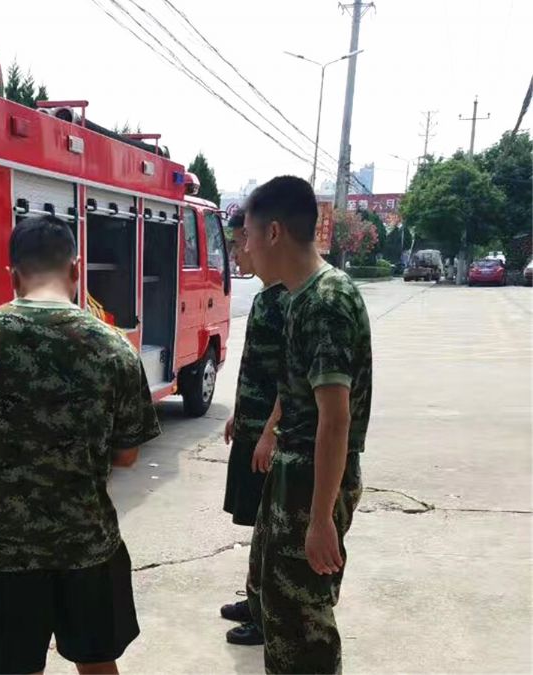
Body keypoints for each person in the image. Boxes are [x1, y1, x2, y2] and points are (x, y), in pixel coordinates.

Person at [0, 215, 160, 675]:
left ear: (13, 274)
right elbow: (127, 454)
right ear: (76, 269)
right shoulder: (114, 346)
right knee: (97, 663)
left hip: (6, 547)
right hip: (87, 545)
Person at [242, 176, 371, 673]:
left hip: (312, 482)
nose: (246, 249)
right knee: (278, 607)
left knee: (302, 621)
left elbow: (335, 419)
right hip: (295, 471)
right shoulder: (301, 296)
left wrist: (320, 519)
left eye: (249, 236)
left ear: (273, 232)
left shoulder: (325, 302)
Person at [220, 212, 286, 647]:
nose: (237, 253)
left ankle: (266, 616)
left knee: (271, 528)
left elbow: (289, 376)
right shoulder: (265, 296)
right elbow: (256, 369)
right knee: (258, 522)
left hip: (267, 433)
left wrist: (270, 432)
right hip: (251, 423)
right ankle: (254, 598)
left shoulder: (287, 299)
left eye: (240, 242)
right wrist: (239, 413)